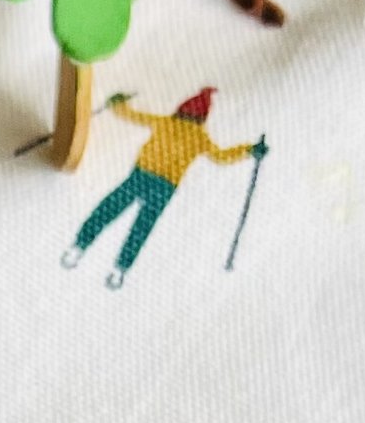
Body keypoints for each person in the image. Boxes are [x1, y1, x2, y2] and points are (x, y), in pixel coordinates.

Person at [63, 87, 263, 285]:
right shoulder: (201, 138)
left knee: (108, 209)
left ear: (181, 109)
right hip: (164, 187)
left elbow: (132, 116)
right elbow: (221, 156)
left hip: (141, 176)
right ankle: (120, 269)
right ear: (203, 118)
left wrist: (117, 103)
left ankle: (79, 246)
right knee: (142, 227)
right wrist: (250, 149)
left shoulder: (165, 122)